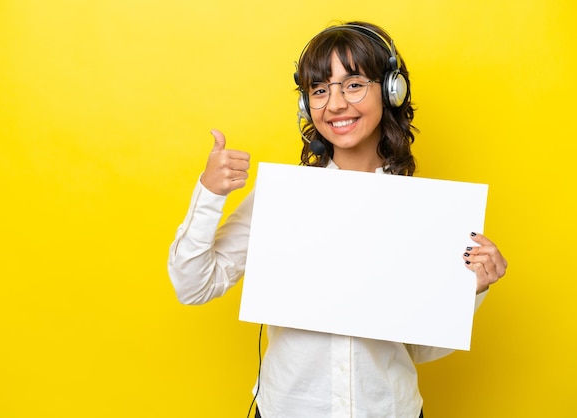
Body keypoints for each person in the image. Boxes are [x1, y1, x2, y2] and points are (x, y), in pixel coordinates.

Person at [167, 21, 508, 418]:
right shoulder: (283, 198)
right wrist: (210, 193)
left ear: (392, 91)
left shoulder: (423, 213)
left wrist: (472, 290)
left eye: (353, 84)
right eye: (319, 90)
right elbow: (193, 286)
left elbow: (419, 349)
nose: (335, 104)